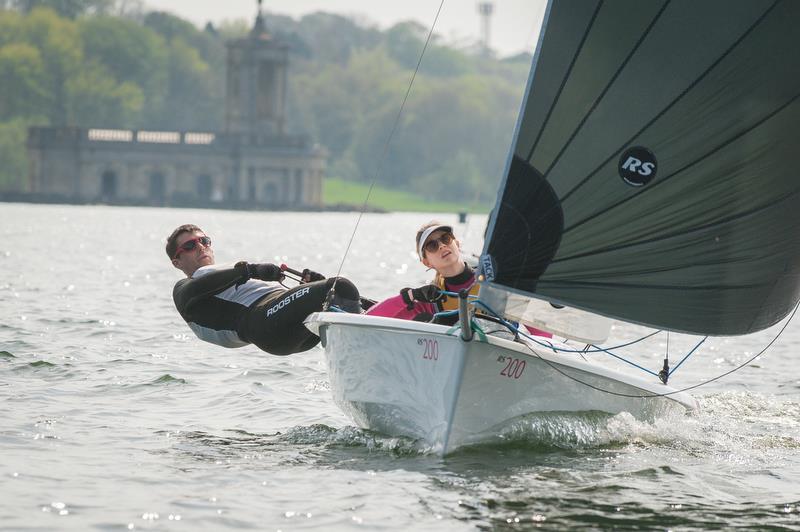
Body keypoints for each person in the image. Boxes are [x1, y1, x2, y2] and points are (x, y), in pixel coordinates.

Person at [167, 224, 361, 356]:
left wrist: (309, 287)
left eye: (205, 241)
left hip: (289, 330)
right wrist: (250, 270)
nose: (201, 247)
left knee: (341, 295)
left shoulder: (227, 273)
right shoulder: (185, 289)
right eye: (191, 245)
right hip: (264, 322)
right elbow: (196, 289)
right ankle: (359, 359)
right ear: (177, 262)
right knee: (341, 286)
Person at [367, 221, 552, 337]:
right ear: (426, 262)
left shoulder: (495, 283)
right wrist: (408, 297)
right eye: (432, 245)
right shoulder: (430, 299)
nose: (441, 246)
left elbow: (542, 331)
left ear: (457, 244)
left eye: (445, 239)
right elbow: (369, 319)